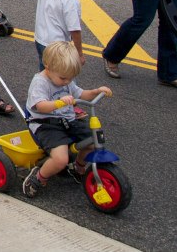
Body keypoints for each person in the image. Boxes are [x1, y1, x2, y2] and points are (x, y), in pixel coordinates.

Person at [21, 41, 112, 198]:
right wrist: (59, 103)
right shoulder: (40, 82)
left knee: (93, 140)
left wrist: (97, 91)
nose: (67, 82)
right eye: (63, 78)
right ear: (48, 67)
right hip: (46, 124)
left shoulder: (66, 79)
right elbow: (40, 106)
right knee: (60, 159)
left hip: (68, 121)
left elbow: (81, 94)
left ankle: (78, 167)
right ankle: (38, 177)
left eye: (70, 78)